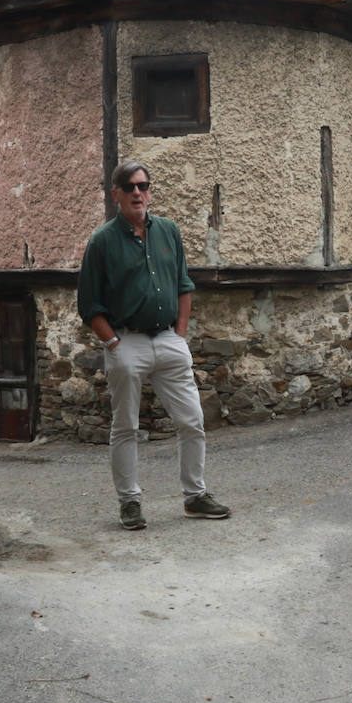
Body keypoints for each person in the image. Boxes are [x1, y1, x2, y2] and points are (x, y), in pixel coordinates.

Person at [77, 161, 231, 528]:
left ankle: (195, 496)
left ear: (149, 190)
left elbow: (183, 285)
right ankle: (130, 502)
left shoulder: (168, 232)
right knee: (126, 426)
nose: (137, 193)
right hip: (126, 341)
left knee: (192, 421)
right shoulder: (101, 242)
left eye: (143, 186)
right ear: (115, 194)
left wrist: (179, 332)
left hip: (168, 339)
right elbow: (88, 304)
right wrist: (112, 343)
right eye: (128, 187)